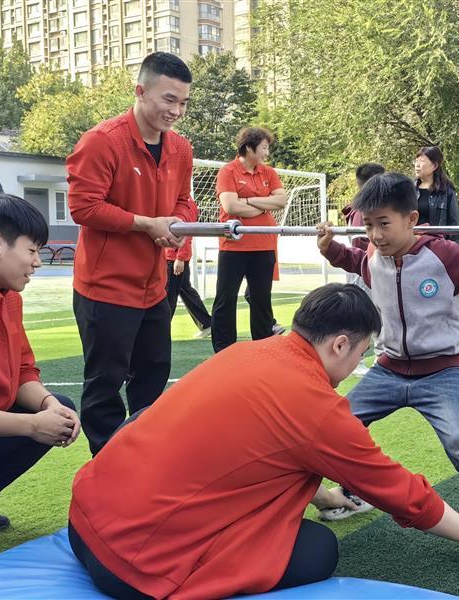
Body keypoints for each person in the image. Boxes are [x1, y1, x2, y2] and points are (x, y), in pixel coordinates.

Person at [68, 284, 459, 600]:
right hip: (132, 568)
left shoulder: (246, 351)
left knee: (150, 419)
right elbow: (400, 492)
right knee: (316, 549)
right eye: (362, 352)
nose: (358, 364)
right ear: (340, 345)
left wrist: (323, 495)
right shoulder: (317, 406)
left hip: (84, 520)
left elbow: (248, 449)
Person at [317, 172, 459, 524]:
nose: (375, 235)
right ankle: (353, 491)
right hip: (390, 368)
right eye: (368, 225)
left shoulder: (443, 255)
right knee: (336, 425)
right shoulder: (374, 254)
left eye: (384, 224)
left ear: (411, 219)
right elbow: (357, 263)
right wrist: (330, 249)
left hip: (442, 370)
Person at [66, 52, 197, 456]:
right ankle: (106, 467)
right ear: (140, 91)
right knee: (105, 384)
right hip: (105, 289)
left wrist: (177, 224)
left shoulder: (181, 149)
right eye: (169, 99)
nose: (176, 111)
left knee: (153, 377)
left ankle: (145, 461)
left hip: (154, 288)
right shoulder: (102, 141)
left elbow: (184, 201)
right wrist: (147, 224)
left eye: (183, 103)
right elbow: (83, 207)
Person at [0, 195, 80, 533]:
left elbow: (23, 370)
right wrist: (31, 426)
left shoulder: (9, 295)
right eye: (32, 251)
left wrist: (48, 406)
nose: (37, 262)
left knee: (59, 412)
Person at [212, 127, 287, 353]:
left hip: (264, 244)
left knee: (261, 299)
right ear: (248, 148)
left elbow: (281, 201)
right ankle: (224, 351)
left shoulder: (269, 172)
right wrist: (264, 205)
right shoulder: (228, 171)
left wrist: (247, 201)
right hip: (234, 246)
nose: (267, 153)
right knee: (226, 299)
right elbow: (230, 206)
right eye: (263, 148)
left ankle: (262, 347)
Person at [341, 162, 386, 377]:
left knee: (377, 312)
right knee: (362, 314)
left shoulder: (366, 207)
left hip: (367, 266)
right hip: (363, 268)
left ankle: (379, 355)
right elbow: (360, 242)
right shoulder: (363, 209)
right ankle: (355, 358)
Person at [414, 146, 459, 245]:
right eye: (416, 161)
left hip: (436, 246)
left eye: (422, 161)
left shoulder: (446, 191)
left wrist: (454, 250)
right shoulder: (410, 189)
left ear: (434, 166)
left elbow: (455, 224)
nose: (417, 165)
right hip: (413, 246)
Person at [165, 234, 212, 338]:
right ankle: (206, 323)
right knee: (184, 290)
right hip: (173, 256)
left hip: (174, 257)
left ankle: (161, 330)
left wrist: (181, 257)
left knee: (170, 294)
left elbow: (186, 232)